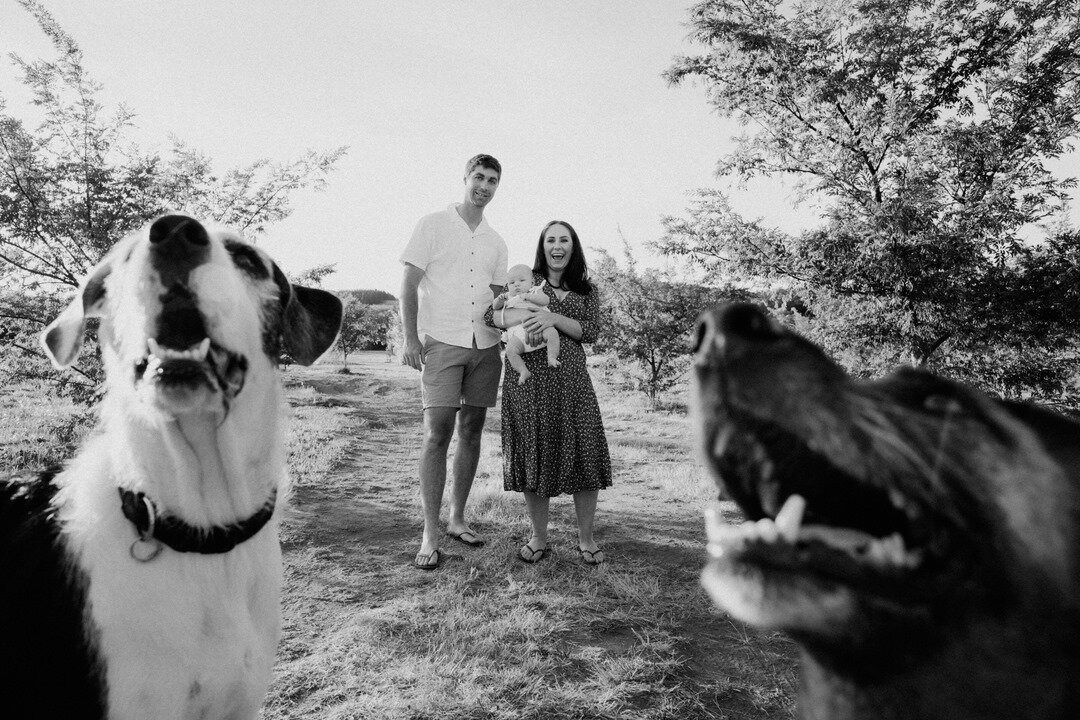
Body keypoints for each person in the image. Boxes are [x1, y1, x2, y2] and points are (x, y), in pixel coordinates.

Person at [399, 154, 508, 571]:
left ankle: (457, 518)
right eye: (478, 177)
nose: (484, 185)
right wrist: (411, 337)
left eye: (492, 180)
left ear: (498, 187)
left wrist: (519, 324)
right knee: (436, 433)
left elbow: (497, 304)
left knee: (473, 431)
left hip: (486, 347)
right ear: (464, 178)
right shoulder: (431, 225)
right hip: (442, 343)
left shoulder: (497, 241)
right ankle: (429, 532)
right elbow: (408, 284)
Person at [485, 220, 612, 565]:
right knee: (533, 451)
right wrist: (516, 314)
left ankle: (585, 538)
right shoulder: (526, 282)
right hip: (529, 382)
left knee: (585, 450)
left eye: (564, 240)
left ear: (574, 246)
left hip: (572, 381)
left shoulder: (587, 290)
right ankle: (539, 537)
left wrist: (553, 318)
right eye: (551, 240)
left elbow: (591, 332)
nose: (557, 246)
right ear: (542, 246)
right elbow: (490, 316)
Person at [491, 263, 560, 383]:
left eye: (522, 280)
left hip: (541, 328)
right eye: (512, 283)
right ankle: (523, 370)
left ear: (532, 283)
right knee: (510, 351)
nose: (516, 284)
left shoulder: (535, 291)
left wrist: (528, 296)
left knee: (553, 333)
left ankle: (552, 357)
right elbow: (495, 307)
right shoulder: (508, 296)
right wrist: (499, 300)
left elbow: (545, 300)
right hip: (518, 335)